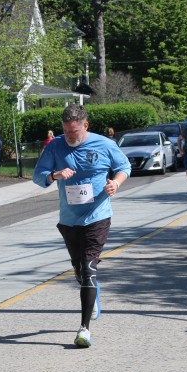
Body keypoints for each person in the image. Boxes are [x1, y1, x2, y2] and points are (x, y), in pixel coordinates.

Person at [33, 104, 130, 348]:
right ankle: (92, 294)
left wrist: (116, 183)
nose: (68, 136)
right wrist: (54, 175)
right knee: (78, 271)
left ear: (85, 126)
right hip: (69, 220)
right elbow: (38, 176)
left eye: (73, 132)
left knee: (88, 268)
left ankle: (84, 329)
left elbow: (124, 167)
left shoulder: (104, 144)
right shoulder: (55, 145)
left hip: (98, 216)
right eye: (65, 131)